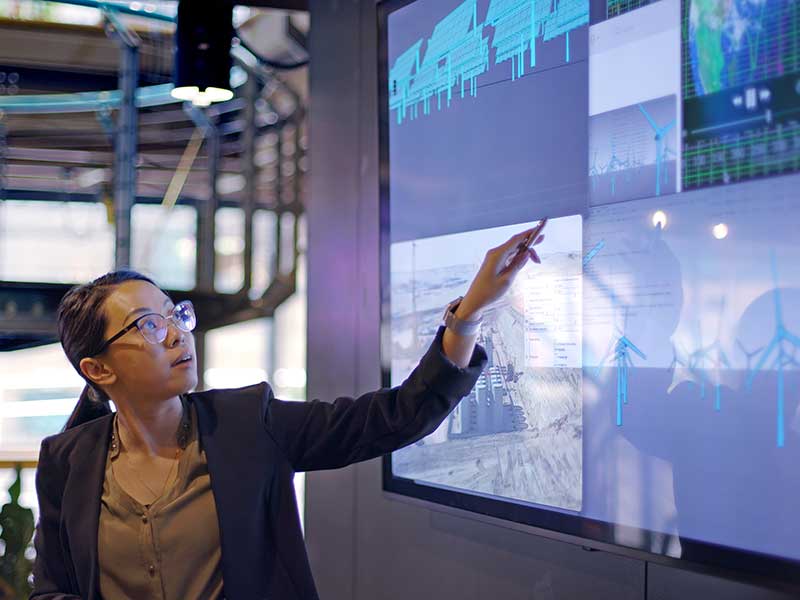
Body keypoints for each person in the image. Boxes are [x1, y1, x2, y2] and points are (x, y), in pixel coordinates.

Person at [30, 229, 540, 600]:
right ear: (98, 369)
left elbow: (399, 415)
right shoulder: (66, 459)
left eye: (173, 313)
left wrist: (469, 313)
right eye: (146, 325)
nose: (175, 332)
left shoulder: (249, 424)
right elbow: (52, 589)